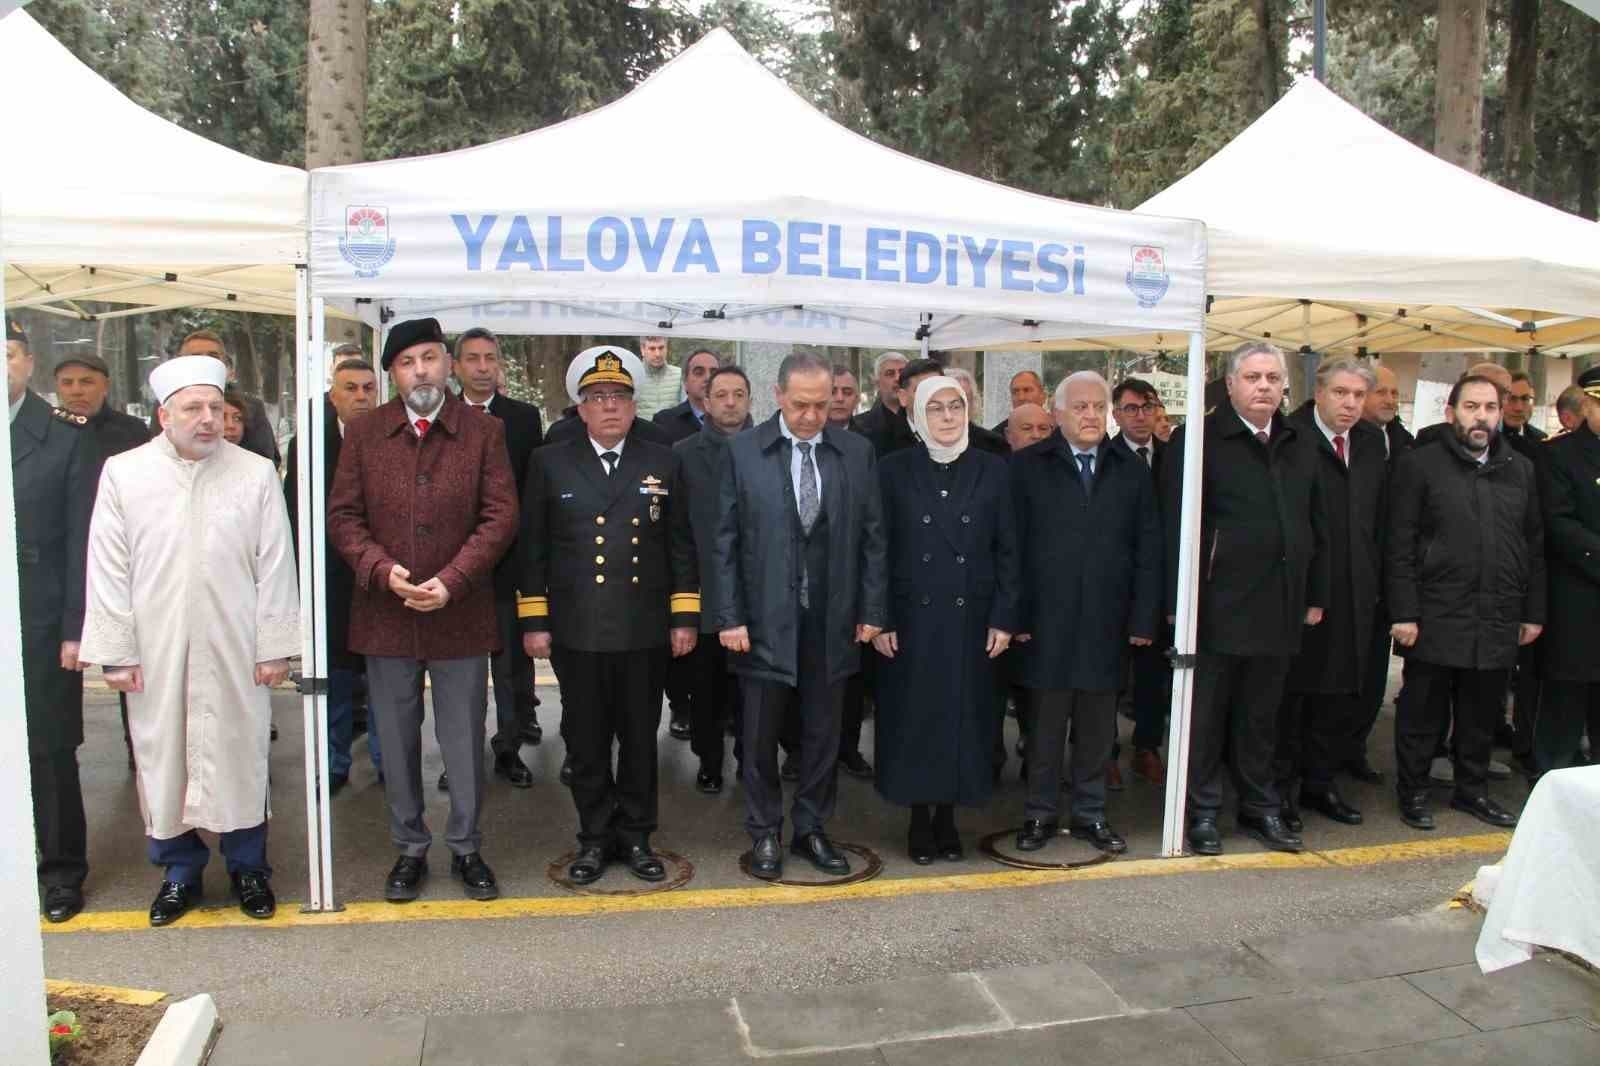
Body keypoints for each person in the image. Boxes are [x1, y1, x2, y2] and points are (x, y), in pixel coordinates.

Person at [79, 354, 299, 926]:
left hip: (234, 646)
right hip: (156, 647)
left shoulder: (253, 473)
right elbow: (107, 566)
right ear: (163, 415)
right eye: (192, 408)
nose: (207, 419)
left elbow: (276, 565)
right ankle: (179, 873)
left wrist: (274, 646)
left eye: (215, 408)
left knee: (241, 755)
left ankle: (249, 868)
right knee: (163, 757)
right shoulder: (125, 474)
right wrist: (116, 652)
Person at [328, 318, 518, 903]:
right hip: (386, 616)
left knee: (462, 738)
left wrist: (452, 580)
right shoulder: (364, 434)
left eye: (431, 359)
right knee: (396, 737)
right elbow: (342, 517)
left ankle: (466, 846)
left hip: (460, 615)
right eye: (408, 363)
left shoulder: (484, 433)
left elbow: (500, 515)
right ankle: (409, 847)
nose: (422, 372)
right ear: (392, 374)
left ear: (449, 364)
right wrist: (384, 572)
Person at [519, 346, 699, 884]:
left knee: (642, 739)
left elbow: (681, 545)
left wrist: (684, 616)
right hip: (578, 631)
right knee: (586, 740)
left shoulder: (662, 460)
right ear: (580, 407)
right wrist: (534, 621)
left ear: (634, 403)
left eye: (620, 397)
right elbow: (533, 550)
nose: (610, 407)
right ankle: (594, 837)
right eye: (598, 398)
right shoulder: (549, 462)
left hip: (644, 630)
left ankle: (638, 836)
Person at [712, 351, 887, 880]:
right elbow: (723, 541)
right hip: (763, 621)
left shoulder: (856, 452)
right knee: (761, 735)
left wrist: (872, 608)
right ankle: (765, 831)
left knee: (823, 734)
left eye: (822, 404)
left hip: (833, 621)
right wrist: (729, 616)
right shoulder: (743, 451)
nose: (812, 416)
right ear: (779, 397)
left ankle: (812, 827)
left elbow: (874, 537)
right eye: (802, 405)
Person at [1159, 342, 1328, 856]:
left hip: (1280, 603)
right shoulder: (1199, 441)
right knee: (1206, 719)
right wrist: (1178, 603)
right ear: (1229, 384)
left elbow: (1315, 521)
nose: (1264, 387)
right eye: (1253, 377)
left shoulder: (1299, 442)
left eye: (1273, 378)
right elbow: (1174, 528)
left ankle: (1260, 807)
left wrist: (1314, 592)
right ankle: (1203, 812)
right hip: (1217, 605)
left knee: (1261, 718)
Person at [1011, 372, 1160, 855]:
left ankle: (1091, 814)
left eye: (1099, 406)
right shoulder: (1029, 467)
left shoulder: (1130, 469)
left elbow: (1148, 550)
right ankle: (1039, 813)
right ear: (1057, 414)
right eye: (1081, 407)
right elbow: (1011, 550)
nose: (1092, 415)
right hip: (1044, 624)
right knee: (1045, 728)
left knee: (1098, 730)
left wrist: (1142, 619)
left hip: (1107, 621)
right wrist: (1016, 618)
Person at [1386, 374, 1542, 831]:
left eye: (1490, 408)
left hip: (1497, 614)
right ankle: (1413, 792)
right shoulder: (1421, 466)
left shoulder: (1520, 469)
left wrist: (1533, 612)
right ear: (1451, 412)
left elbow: (1533, 545)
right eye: (1471, 407)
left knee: (1480, 714)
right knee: (1422, 712)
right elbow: (1399, 544)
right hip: (1435, 614)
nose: (1482, 416)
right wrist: (1403, 612)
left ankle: (1472, 791)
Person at [873, 376, 1018, 862]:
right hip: (911, 619)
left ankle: (949, 818)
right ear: (916, 416)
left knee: (964, 720)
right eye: (935, 408)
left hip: (971, 618)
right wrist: (881, 618)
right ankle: (918, 818)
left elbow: (1009, 551)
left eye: (956, 406)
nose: (948, 417)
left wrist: (1004, 616)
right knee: (917, 720)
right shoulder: (892, 470)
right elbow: (879, 550)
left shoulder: (994, 470)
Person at [10, 320, 99, 924]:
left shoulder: (63, 437)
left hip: (37, 619)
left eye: (7, 352)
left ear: (27, 363)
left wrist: (76, 626)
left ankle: (61, 870)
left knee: (48, 749)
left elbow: (79, 543)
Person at [1274, 359, 1387, 830]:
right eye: (1341, 393)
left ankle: (1320, 783)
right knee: (1291, 699)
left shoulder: (1370, 443)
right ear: (1318, 393)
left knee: (1337, 696)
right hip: (1300, 593)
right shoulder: (1291, 437)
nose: (1350, 404)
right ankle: (1279, 792)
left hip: (1356, 592)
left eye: (1358, 396)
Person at [452, 326, 546, 790]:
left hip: (509, 565)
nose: (483, 367)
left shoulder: (524, 419)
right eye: (473, 358)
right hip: (453, 571)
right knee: (458, 674)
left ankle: (508, 748)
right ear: (456, 366)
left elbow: (533, 493)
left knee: (511, 668)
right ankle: (458, 757)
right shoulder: (440, 415)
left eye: (490, 358)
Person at [284, 358, 381, 793]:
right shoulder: (308, 443)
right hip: (329, 579)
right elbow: (295, 513)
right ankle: (335, 761)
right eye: (350, 389)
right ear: (333, 395)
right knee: (335, 678)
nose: (360, 397)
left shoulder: (389, 438)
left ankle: (386, 759)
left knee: (383, 677)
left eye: (367, 389)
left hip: (382, 577)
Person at [53, 350, 151, 770]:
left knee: (129, 663)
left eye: (86, 382)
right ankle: (59, 751)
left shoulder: (131, 431)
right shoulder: (48, 431)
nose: (76, 391)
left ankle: (141, 751)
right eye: (68, 383)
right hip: (64, 562)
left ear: (105, 385)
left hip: (123, 560)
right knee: (64, 663)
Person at [675, 366, 755, 794]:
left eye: (738, 394)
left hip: (757, 595)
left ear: (750, 399)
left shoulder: (770, 448)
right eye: (720, 394)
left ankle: (750, 761)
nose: (729, 402)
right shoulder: (683, 454)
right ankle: (709, 760)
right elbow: (679, 535)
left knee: (752, 691)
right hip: (705, 592)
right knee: (705, 690)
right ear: (705, 402)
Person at [652, 347, 723, 739]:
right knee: (682, 637)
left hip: (718, 547)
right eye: (699, 371)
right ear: (686, 381)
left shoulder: (743, 428)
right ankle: (680, 707)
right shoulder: (665, 425)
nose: (706, 377)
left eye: (714, 371)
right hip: (679, 540)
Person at [1534, 366, 1600, 775]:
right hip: (1579, 598)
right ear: (1588, 403)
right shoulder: (1559, 454)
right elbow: (1558, 523)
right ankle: (1552, 784)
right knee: (1566, 702)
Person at [1109, 377, 1170, 786]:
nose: (1140, 415)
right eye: (1130, 408)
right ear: (1116, 413)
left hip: (1160, 584)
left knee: (1154, 677)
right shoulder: (1105, 456)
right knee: (1109, 677)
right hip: (1113, 585)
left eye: (1147, 407)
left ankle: (1146, 747)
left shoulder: (1175, 456)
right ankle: (1104, 752)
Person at [149, 330, 280, 465]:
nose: (205, 361)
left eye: (213, 356)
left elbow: (265, 458)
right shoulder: (166, 404)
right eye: (196, 356)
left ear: (224, 362)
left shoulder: (251, 406)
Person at [865, 357, 945, 458]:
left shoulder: (966, 432)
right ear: (903, 397)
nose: (931, 396)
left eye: (936, 388)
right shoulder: (877, 440)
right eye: (922, 390)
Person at [653, 348, 722, 445]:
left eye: (714, 373)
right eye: (699, 373)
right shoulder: (665, 422)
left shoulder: (733, 420)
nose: (708, 378)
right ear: (685, 381)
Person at [943, 366, 1008, 456]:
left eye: (966, 399)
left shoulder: (994, 444)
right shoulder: (923, 444)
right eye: (953, 400)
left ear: (974, 402)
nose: (960, 406)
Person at [852, 352, 909, 444]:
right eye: (890, 373)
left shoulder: (924, 420)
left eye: (902, 373)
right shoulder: (858, 426)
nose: (898, 378)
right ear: (877, 383)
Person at [633, 335, 682, 420]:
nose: (657, 354)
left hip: (673, 432)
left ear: (667, 348)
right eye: (652, 349)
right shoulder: (633, 376)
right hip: (642, 432)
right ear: (642, 350)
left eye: (661, 348)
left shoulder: (679, 375)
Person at [991, 369, 1047, 435]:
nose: (1021, 397)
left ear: (1043, 396)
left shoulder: (1058, 431)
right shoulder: (996, 438)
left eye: (1027, 390)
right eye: (1015, 392)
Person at [1501, 371, 1546, 453]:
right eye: (1511, 399)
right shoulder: (1485, 440)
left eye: (1525, 399)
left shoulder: (1541, 441)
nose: (1519, 408)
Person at [829, 364, 860, 430]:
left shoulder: (870, 438)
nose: (840, 399)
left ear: (857, 399)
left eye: (847, 392)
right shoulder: (803, 436)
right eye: (832, 392)